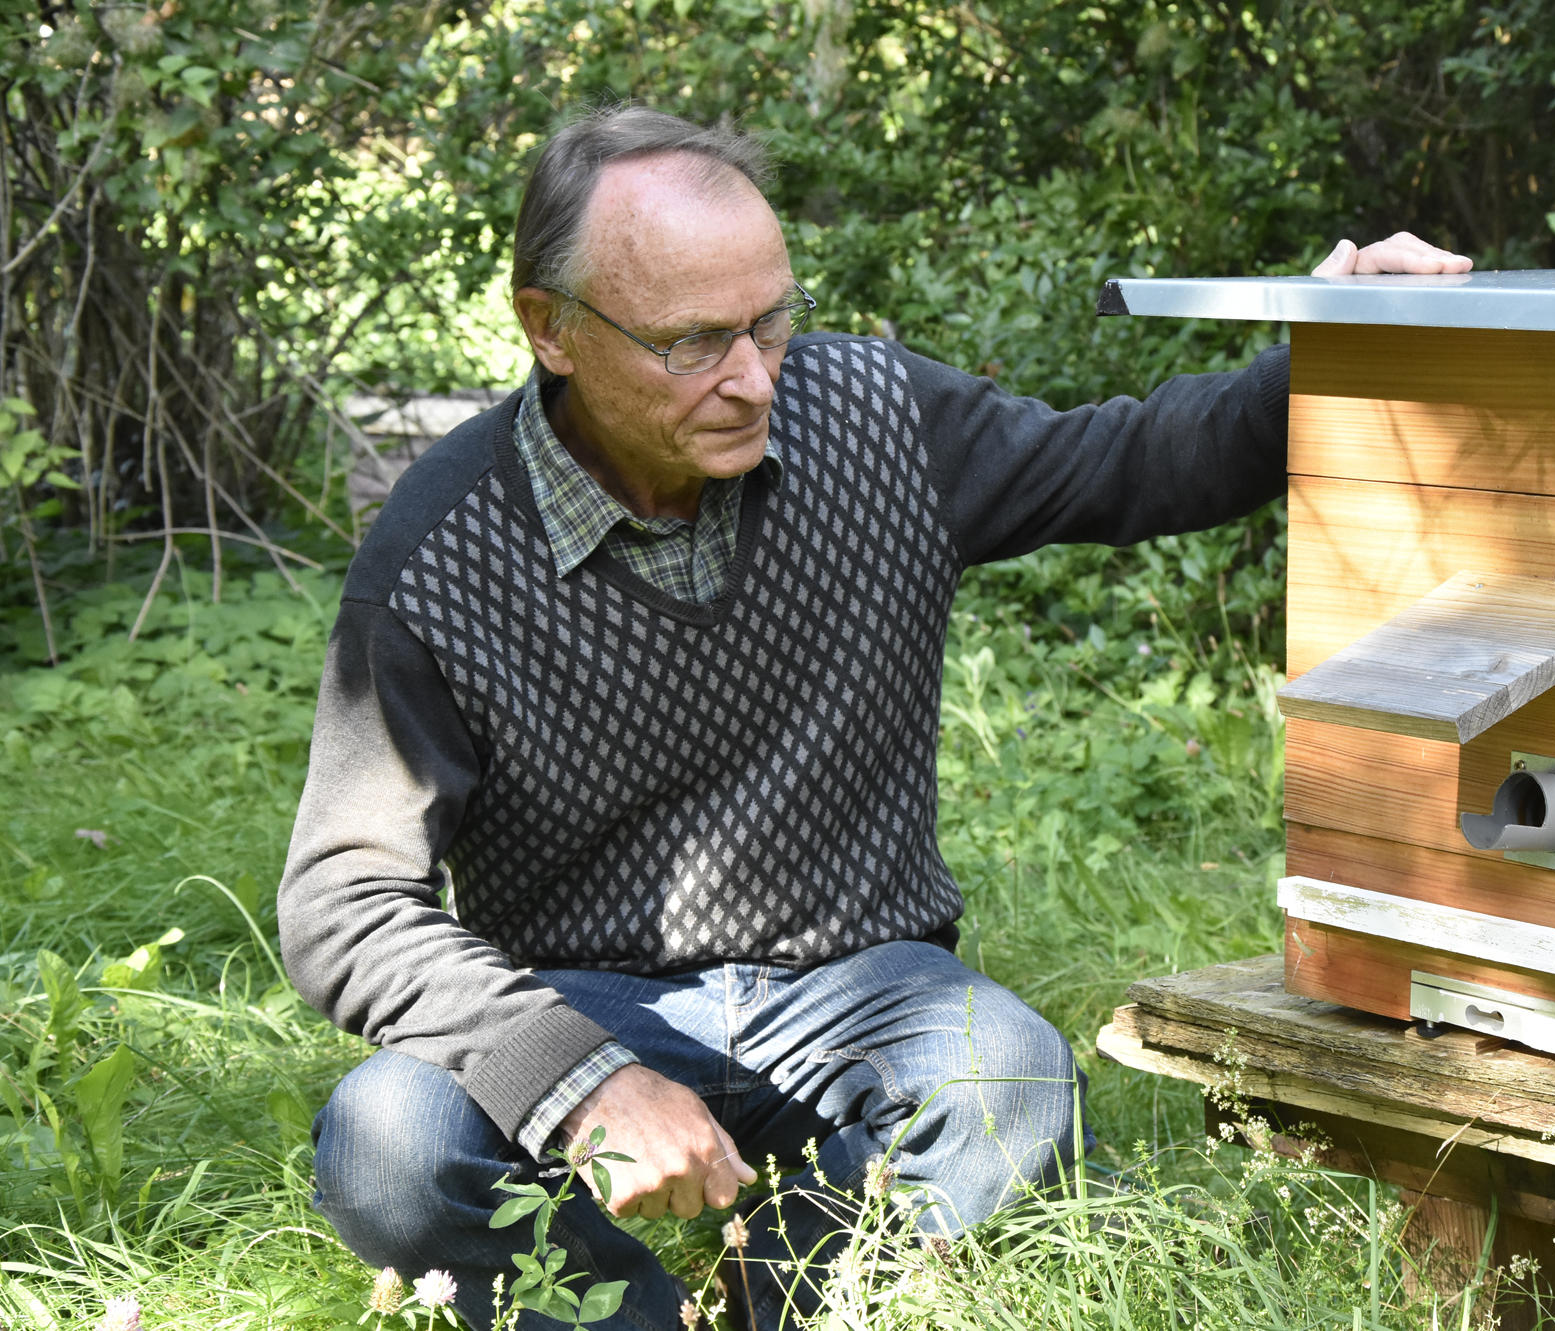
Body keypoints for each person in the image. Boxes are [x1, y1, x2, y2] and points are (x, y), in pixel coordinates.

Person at [279, 105, 1470, 1331]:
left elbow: (1132, 461)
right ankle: (625, 1315)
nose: (753, 378)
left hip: (857, 980)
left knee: (1008, 1075)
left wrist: (1335, 348)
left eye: (769, 320)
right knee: (386, 1143)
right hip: (585, 994)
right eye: (693, 343)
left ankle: (790, 1290)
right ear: (551, 328)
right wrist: (579, 1076)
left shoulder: (873, 416)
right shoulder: (438, 555)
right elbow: (343, 902)